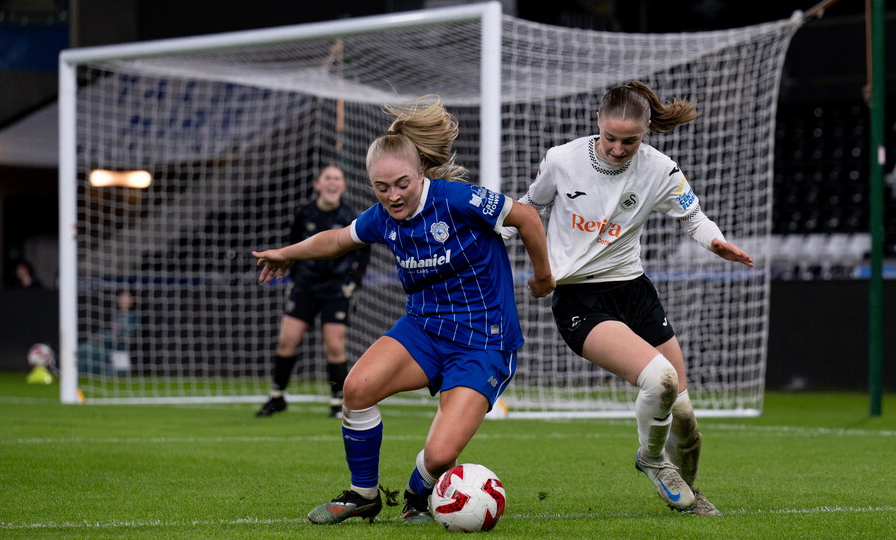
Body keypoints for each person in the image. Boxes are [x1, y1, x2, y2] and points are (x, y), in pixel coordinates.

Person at [252, 95, 555, 525]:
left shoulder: (457, 200)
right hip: (424, 329)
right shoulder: (382, 217)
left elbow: (525, 216)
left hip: (483, 340)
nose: (393, 196)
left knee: (441, 454)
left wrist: (543, 276)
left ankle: (417, 494)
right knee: (356, 388)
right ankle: (363, 495)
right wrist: (288, 253)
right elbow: (336, 239)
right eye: (382, 187)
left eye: (402, 184)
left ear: (420, 174)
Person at [511, 82, 753, 516]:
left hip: (635, 292)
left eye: (631, 140)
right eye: (611, 138)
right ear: (598, 123)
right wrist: (492, 233)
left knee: (684, 417)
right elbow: (528, 206)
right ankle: (651, 459)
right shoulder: (561, 160)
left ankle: (688, 495)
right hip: (580, 300)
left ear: (645, 133)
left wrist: (716, 242)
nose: (619, 149)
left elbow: (693, 216)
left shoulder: (659, 169)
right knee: (658, 379)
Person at [255, 164, 371, 419]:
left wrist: (354, 282)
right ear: (317, 184)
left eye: (337, 179)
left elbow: (364, 252)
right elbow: (293, 248)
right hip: (305, 287)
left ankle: (337, 402)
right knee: (287, 340)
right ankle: (277, 396)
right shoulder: (303, 213)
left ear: (343, 186)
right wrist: (294, 280)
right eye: (327, 178)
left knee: (334, 344)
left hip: (336, 289)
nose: (332, 183)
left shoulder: (351, 217)